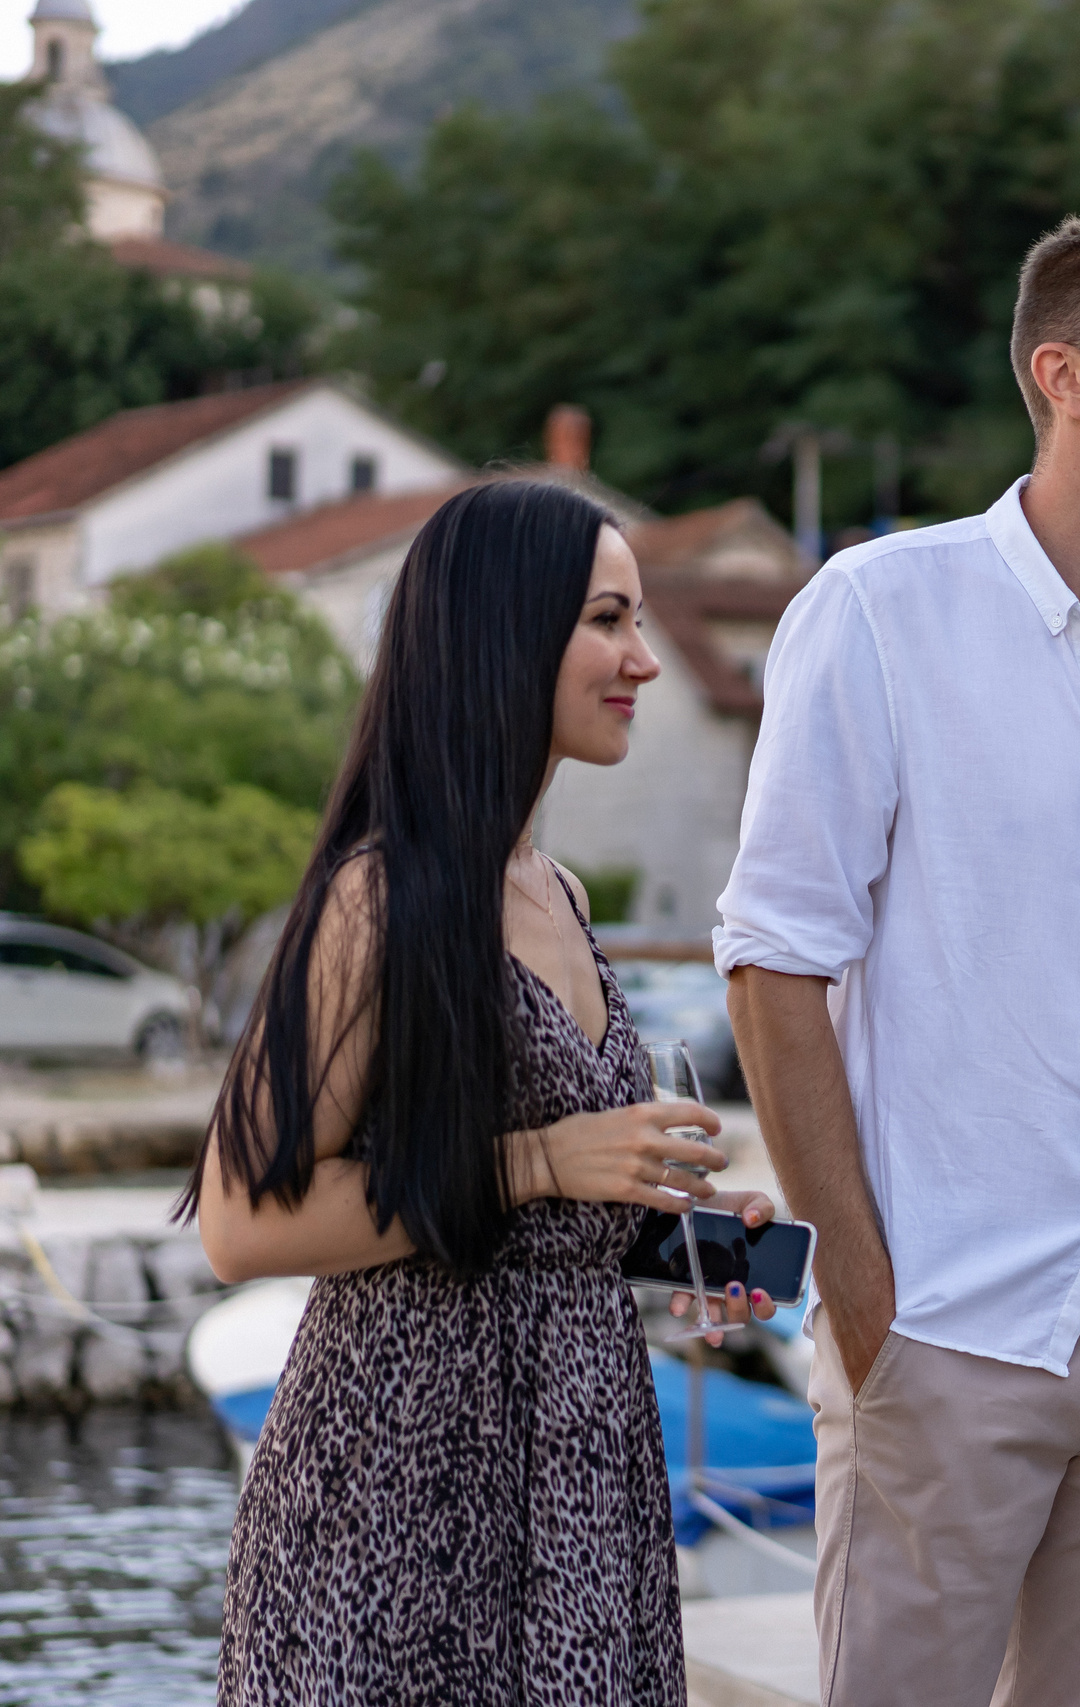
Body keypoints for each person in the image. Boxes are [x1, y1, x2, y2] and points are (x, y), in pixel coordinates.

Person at [715, 208, 1080, 1707]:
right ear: (1067, 376)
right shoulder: (878, 614)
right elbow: (773, 968)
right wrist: (866, 1307)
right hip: (946, 1331)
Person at [193, 479, 778, 1706]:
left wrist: (688, 1247)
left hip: (579, 1481)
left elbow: (544, 1220)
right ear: (506, 632)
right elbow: (244, 1224)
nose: (644, 661)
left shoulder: (554, 890)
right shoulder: (379, 898)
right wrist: (542, 1161)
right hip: (401, 1497)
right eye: (609, 621)